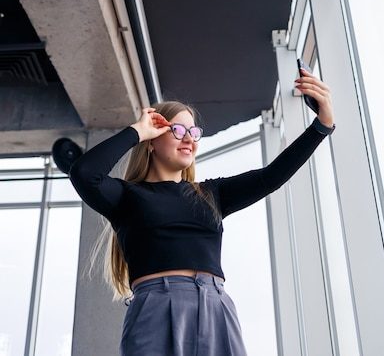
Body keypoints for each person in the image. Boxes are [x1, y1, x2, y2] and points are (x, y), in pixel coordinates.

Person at [69, 67, 335, 355]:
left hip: (216, 305)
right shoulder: (126, 196)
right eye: (178, 130)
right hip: (157, 305)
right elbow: (85, 173)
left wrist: (322, 125)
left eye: (194, 132)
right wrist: (137, 131)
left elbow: (271, 176)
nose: (190, 139)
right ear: (152, 141)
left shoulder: (211, 194)